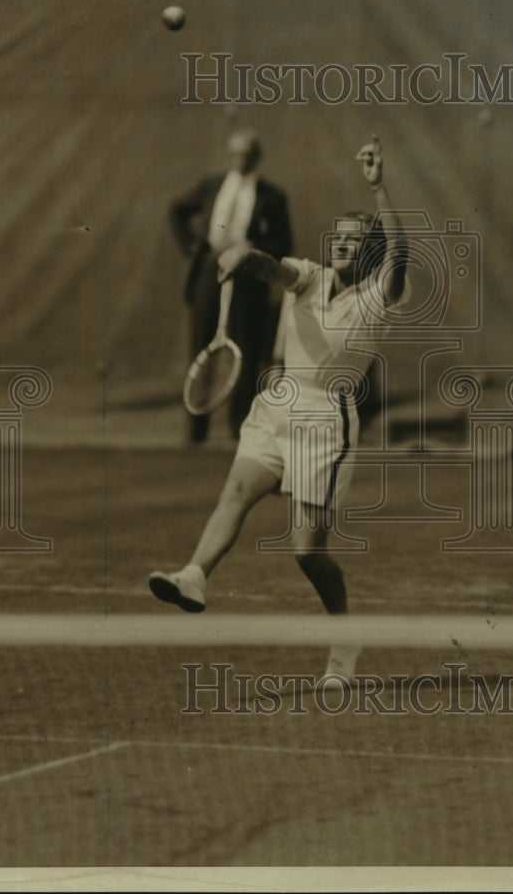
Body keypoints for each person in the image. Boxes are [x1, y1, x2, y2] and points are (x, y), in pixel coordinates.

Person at [150, 137, 410, 681]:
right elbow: (275, 270)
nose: (341, 245)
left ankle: (345, 640)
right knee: (238, 491)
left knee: (307, 553)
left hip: (326, 422)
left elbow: (400, 251)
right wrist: (244, 257)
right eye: (337, 238)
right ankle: (196, 573)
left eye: (354, 240)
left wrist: (379, 186)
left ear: (369, 250)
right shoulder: (311, 276)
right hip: (279, 404)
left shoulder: (380, 293)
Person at [169, 128, 293, 442]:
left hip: (248, 281)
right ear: (230, 155)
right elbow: (177, 211)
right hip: (209, 274)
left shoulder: (272, 196)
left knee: (245, 353)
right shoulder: (211, 186)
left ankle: (241, 430)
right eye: (236, 153)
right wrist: (192, 248)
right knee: (201, 348)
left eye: (248, 153)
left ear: (257, 156)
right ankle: (195, 432)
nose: (242, 159)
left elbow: (285, 242)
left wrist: (254, 249)